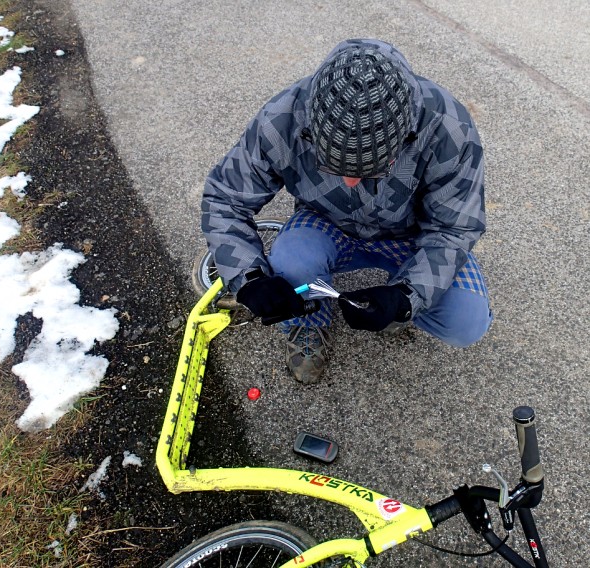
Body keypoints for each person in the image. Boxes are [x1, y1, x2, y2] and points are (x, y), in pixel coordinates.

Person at [202, 39, 492, 384]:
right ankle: (308, 322)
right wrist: (248, 279)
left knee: (465, 322)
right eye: (334, 166)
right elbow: (224, 198)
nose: (352, 182)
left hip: (412, 235)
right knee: (291, 263)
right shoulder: (281, 119)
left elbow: (454, 229)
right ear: (311, 130)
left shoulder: (448, 128)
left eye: (373, 169)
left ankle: (399, 306)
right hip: (325, 222)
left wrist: (406, 296)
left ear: (405, 136)